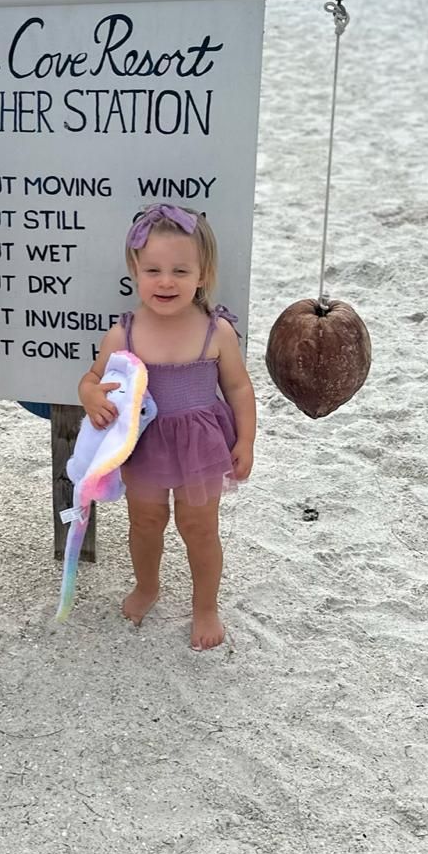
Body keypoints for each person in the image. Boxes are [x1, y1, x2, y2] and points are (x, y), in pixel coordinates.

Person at [79, 205, 255, 650]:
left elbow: (238, 388)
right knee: (146, 522)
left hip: (201, 448)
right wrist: (91, 396)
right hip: (146, 447)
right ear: (134, 270)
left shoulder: (217, 332)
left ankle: (205, 606)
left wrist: (247, 440)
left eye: (180, 270)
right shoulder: (124, 334)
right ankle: (147, 586)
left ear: (203, 274)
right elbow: (92, 379)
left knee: (200, 528)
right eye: (153, 269)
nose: (166, 281)